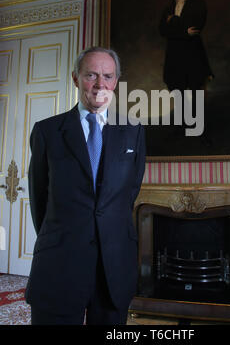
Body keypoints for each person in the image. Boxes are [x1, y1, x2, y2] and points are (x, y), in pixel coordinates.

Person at [25, 46, 146, 325]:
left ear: (115, 82)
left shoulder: (134, 131)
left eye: (107, 76)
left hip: (113, 266)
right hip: (59, 261)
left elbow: (129, 193)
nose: (99, 84)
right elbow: (39, 199)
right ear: (76, 78)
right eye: (91, 75)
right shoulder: (47, 132)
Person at [159, 0, 213, 118]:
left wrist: (174, 21)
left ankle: (200, 130)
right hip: (175, 55)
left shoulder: (198, 3)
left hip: (193, 53)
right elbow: (162, 30)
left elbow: (196, 26)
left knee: (197, 90)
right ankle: (182, 127)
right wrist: (183, 31)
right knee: (177, 90)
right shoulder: (168, 7)